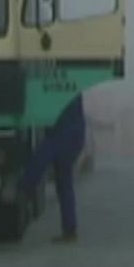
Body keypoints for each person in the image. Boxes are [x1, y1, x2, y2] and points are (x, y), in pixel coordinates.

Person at [20, 92, 87, 242]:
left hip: (63, 134)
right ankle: (70, 230)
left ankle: (24, 188)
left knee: (42, 161)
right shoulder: (71, 89)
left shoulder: (56, 90)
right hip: (73, 134)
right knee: (64, 184)